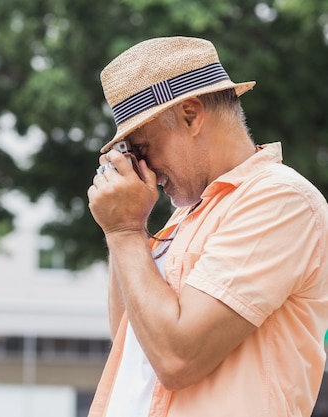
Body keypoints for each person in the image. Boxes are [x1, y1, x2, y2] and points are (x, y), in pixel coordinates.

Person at [87, 36, 328, 417]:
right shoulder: (186, 215)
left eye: (143, 148)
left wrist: (126, 231)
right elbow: (132, 342)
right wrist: (122, 227)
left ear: (190, 115)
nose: (142, 169)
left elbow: (176, 358)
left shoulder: (281, 200)